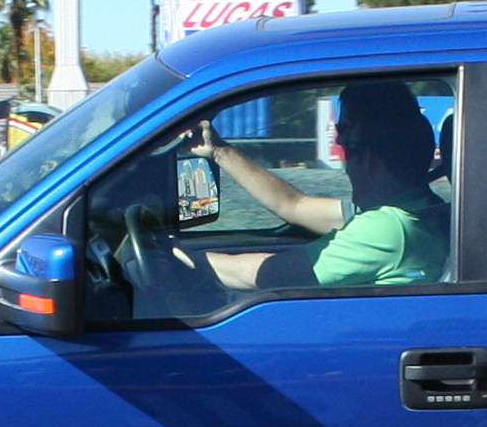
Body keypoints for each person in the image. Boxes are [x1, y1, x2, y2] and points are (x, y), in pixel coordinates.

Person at [187, 80, 451, 290]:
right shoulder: (421, 210)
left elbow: (263, 275)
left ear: (367, 154)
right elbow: (293, 205)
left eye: (343, 131)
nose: (338, 140)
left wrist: (180, 258)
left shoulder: (388, 229)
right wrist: (219, 151)